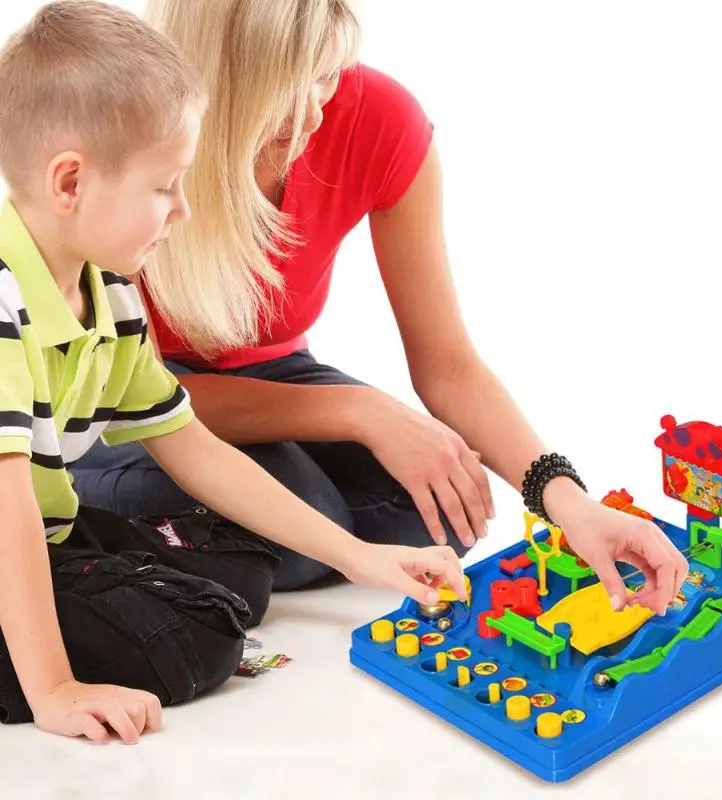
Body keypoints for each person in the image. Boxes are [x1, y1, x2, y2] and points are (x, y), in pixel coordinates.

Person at [71, 0, 689, 613]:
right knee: (306, 521)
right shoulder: (139, 139)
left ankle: (286, 533)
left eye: (326, 74)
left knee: (439, 509)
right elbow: (134, 390)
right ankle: (70, 497)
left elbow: (449, 366)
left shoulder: (380, 118)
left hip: (272, 375)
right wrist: (361, 412)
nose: (315, 112)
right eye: (287, 83)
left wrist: (565, 499)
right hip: (115, 401)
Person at [0, 0, 465, 743]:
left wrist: (362, 557)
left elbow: (197, 450)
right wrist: (54, 690)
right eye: (164, 187)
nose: (183, 212)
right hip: (13, 532)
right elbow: (8, 514)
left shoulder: (109, 294)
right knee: (199, 642)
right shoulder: (5, 305)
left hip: (49, 532)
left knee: (241, 578)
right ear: (70, 183)